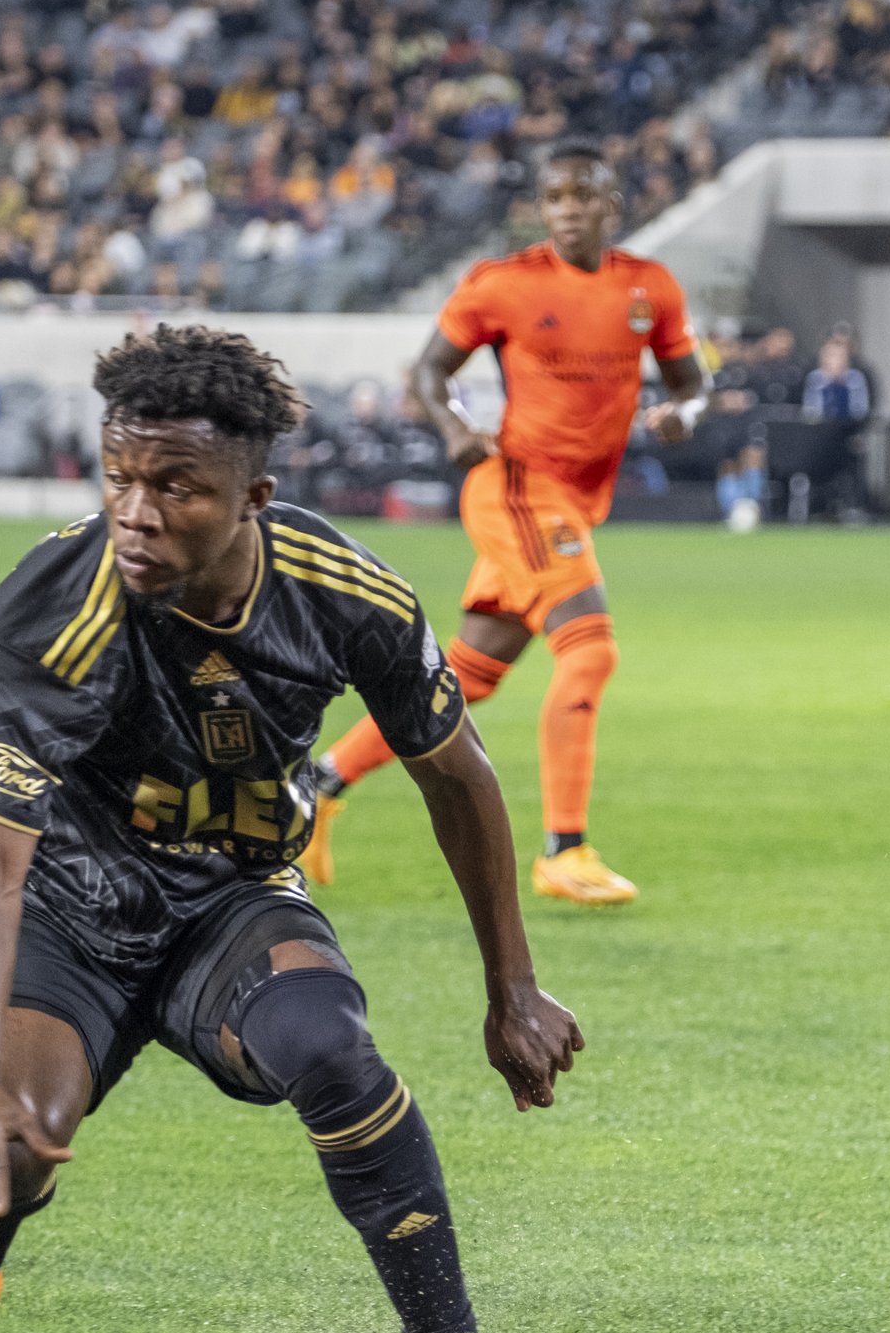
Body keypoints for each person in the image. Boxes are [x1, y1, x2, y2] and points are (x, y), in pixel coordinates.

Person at [0, 327, 579, 1333]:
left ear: (253, 498)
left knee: (334, 1050)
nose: (137, 510)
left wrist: (511, 988)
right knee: (13, 1144)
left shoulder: (343, 592)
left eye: (176, 485)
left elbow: (457, 776)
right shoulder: (44, 610)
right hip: (68, 906)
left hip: (232, 895)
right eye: (120, 476)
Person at [302, 142, 705, 907]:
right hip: (519, 490)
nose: (567, 210)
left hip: (572, 504)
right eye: (554, 197)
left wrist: (683, 413)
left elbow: (692, 381)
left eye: (582, 196)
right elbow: (427, 372)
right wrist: (453, 428)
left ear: (611, 204)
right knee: (590, 652)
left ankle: (316, 783)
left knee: (465, 681)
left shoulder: (648, 289)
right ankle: (565, 849)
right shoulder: (506, 284)